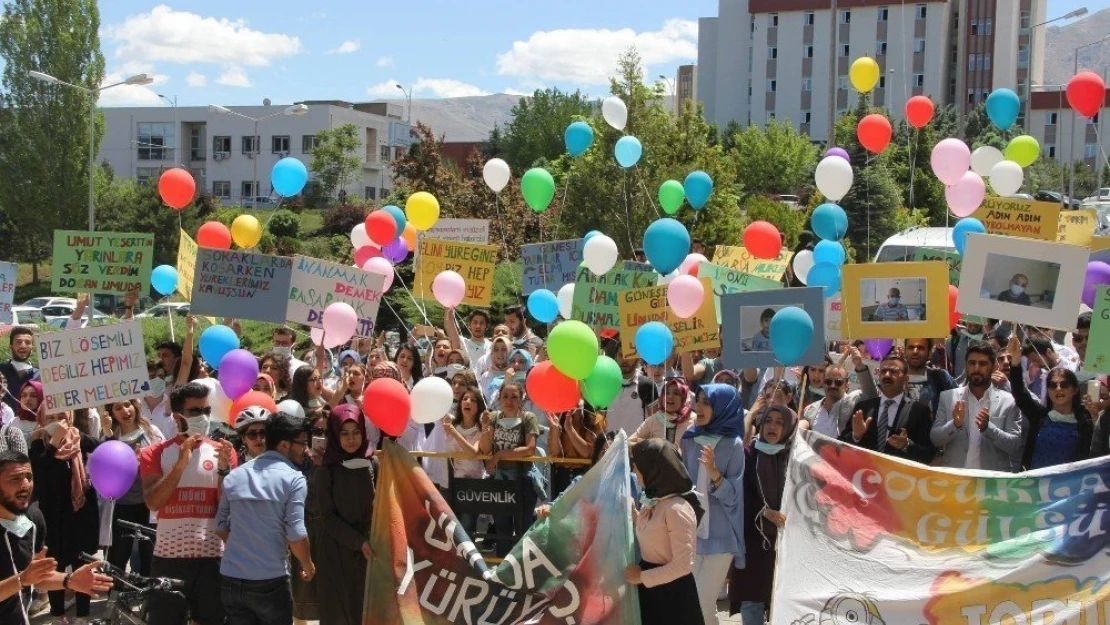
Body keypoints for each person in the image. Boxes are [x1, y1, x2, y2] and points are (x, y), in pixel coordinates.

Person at [140, 382, 238, 625]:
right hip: (169, 557)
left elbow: (226, 508)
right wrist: (181, 464)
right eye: (195, 411)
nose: (202, 417)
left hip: (211, 557)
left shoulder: (223, 452)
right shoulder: (154, 453)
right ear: (177, 415)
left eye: (206, 411)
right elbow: (153, 501)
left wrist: (225, 470)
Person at [216, 412, 315, 625]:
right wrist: (307, 564)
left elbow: (221, 526)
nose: (305, 449)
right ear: (284, 445)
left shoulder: (235, 476)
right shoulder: (294, 480)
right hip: (270, 582)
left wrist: (243, 550)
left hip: (231, 580)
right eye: (301, 443)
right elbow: (296, 534)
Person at [0, 450, 113, 623]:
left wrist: (69, 580)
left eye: (29, 477)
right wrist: (22, 580)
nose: (25, 485)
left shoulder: (33, 519)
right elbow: (27, 578)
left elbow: (38, 578)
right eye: (15, 479)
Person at [680, 384, 745, 625]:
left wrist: (715, 474)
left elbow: (734, 498)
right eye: (698, 401)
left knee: (701, 602)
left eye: (707, 402)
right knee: (692, 603)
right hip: (692, 533)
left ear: (722, 407)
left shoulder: (734, 445)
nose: (699, 407)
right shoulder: (689, 439)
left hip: (722, 536)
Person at [28, 410, 100, 621]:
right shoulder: (37, 442)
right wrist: (54, 443)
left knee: (82, 564)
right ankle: (58, 614)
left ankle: (83, 615)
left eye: (60, 417)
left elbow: (100, 446)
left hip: (81, 513)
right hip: (53, 516)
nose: (55, 422)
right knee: (54, 565)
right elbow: (40, 474)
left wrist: (78, 434)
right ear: (42, 420)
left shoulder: (79, 438)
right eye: (50, 418)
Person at [729, 405, 798, 625]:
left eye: (780, 422)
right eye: (769, 421)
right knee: (752, 599)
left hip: (786, 541)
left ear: (788, 428)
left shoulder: (795, 459)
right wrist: (763, 511)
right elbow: (739, 493)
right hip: (754, 540)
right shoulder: (749, 454)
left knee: (782, 598)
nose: (773, 426)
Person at [625, 438, 704, 625]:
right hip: (652, 591)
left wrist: (642, 577)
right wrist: (634, 515)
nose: (635, 472)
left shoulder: (677, 508)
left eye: (638, 467)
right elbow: (654, 535)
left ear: (653, 469)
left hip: (673, 597)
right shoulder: (656, 500)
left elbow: (684, 564)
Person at [313, 404, 376, 625]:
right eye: (344, 434)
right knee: (338, 613)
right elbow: (328, 517)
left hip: (370, 552)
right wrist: (359, 542)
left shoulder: (373, 465)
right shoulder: (325, 472)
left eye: (356, 432)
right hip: (336, 553)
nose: (351, 439)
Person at [931, 342, 1023, 472]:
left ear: (993, 367)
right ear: (966, 365)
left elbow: (1014, 445)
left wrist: (988, 428)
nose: (976, 368)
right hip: (955, 479)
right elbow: (935, 439)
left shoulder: (1009, 401)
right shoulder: (948, 397)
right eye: (972, 363)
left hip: (991, 483)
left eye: (983, 364)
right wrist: (954, 425)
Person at [1007, 337, 1093, 470]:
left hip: (1068, 487)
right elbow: (1019, 392)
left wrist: (1096, 417)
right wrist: (1016, 359)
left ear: (1075, 390)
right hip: (1035, 486)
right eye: (1053, 385)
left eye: (1064, 385)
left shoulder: (1086, 422)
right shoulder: (1039, 416)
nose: (1058, 389)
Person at [479, 380, 540, 557]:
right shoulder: (494, 417)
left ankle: (523, 568)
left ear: (521, 399)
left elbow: (530, 448)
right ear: (499, 398)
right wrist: (484, 427)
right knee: (502, 528)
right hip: (500, 481)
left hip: (523, 481)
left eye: (514, 397)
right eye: (505, 396)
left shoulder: (528, 418)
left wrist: (499, 455)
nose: (509, 401)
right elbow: (485, 448)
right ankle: (503, 569)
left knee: (523, 528)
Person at [103, 399, 164, 575]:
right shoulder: (110, 435)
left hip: (148, 503)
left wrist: (145, 462)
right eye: (118, 408)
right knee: (119, 554)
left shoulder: (152, 433)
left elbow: (165, 461)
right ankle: (115, 593)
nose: (125, 411)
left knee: (149, 550)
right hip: (122, 504)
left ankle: (148, 593)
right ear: (112, 413)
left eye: (127, 405)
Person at [841, 355, 936, 464]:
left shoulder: (918, 411)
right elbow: (840, 443)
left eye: (893, 372)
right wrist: (856, 436)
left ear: (906, 379)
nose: (887, 375)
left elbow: (928, 454)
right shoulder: (863, 408)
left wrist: (906, 445)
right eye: (883, 371)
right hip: (864, 474)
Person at [442, 387, 487, 535]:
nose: (468, 402)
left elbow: (473, 453)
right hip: (450, 484)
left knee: (466, 528)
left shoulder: (481, 430)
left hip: (471, 487)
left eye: (473, 400)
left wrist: (454, 433)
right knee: (449, 528)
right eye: (465, 399)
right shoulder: (450, 425)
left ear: (478, 406)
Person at [802, 348, 876, 438]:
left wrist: (860, 366)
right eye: (828, 382)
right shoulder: (810, 410)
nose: (833, 386)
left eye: (838, 382)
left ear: (846, 384)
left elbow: (872, 397)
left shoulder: (855, 401)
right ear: (823, 383)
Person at [631, 377, 695, 447]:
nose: (670, 396)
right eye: (666, 393)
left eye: (676, 393)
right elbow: (629, 443)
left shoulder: (694, 420)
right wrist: (651, 445)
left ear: (684, 398)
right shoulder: (653, 420)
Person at [903, 337, 956, 417]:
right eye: (911, 347)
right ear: (904, 351)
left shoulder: (941, 377)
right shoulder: (896, 379)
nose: (915, 351)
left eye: (920, 348)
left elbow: (958, 404)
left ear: (930, 353)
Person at [1, 328, 38, 414]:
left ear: (32, 347)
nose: (23, 345)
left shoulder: (40, 375)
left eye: (28, 342)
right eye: (18, 342)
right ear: (11, 346)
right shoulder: (1, 371)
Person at [445, 308, 492, 374]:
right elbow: (449, 328)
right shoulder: (462, 342)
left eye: (481, 323)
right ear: (469, 325)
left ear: (486, 326)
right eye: (475, 322)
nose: (478, 326)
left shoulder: (492, 347)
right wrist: (450, 317)